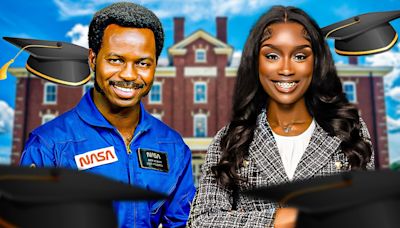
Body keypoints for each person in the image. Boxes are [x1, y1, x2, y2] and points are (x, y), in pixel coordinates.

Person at [188, 6, 374, 228]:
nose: (286, 69)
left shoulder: (349, 131)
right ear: (256, 62)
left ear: (316, 62)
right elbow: (201, 221)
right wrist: (282, 220)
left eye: (300, 55)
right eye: (272, 55)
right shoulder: (230, 139)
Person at [19, 2, 195, 227]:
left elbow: (182, 222)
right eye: (116, 60)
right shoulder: (48, 145)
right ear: (93, 59)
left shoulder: (172, 146)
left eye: (142, 63)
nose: (129, 75)